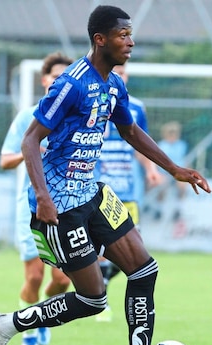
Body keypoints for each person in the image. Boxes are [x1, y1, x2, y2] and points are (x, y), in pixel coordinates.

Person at [0, 5, 211, 345]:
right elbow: (30, 140)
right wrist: (43, 197)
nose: (130, 42)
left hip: (94, 194)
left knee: (144, 270)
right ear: (100, 40)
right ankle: (5, 325)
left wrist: (173, 168)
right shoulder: (70, 85)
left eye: (130, 34)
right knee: (92, 300)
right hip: (61, 207)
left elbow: (130, 129)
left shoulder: (114, 84)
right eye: (123, 35)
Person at [0, 51, 73, 345]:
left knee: (63, 280)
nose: (60, 82)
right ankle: (28, 328)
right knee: (34, 276)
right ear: (45, 81)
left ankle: (41, 312)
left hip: (66, 206)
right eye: (55, 77)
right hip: (30, 207)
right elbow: (5, 160)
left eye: (65, 78)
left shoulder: (75, 118)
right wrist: (30, 152)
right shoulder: (27, 117)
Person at [94, 63, 164, 322]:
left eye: (124, 72)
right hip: (100, 187)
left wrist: (150, 169)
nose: (120, 76)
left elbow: (138, 142)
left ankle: (106, 295)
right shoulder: (94, 99)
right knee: (103, 248)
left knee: (134, 250)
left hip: (128, 190)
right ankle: (102, 302)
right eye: (117, 72)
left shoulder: (135, 107)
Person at [154, 121, 188, 222]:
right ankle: (159, 209)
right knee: (161, 185)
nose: (172, 135)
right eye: (170, 133)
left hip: (178, 172)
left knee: (182, 185)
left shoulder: (182, 145)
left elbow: (186, 159)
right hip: (164, 172)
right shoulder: (161, 145)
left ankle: (178, 209)